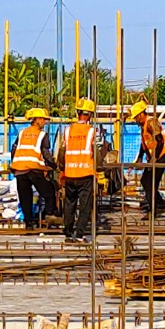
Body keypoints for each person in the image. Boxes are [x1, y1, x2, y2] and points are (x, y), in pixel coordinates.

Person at [58, 99, 103, 240]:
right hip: (85, 175)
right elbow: (97, 153)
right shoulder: (91, 131)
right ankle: (79, 234)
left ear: (78, 113)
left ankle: (67, 232)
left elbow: (61, 152)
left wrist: (62, 169)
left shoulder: (68, 131)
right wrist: (99, 169)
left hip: (70, 175)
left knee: (69, 204)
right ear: (89, 115)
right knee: (85, 206)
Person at [10, 106, 53, 230]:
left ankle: (29, 223)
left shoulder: (22, 133)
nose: (45, 122)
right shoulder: (42, 135)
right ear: (37, 119)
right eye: (43, 119)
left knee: (25, 197)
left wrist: (14, 164)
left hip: (19, 169)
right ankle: (47, 214)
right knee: (49, 192)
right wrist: (53, 166)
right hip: (34, 168)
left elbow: (14, 149)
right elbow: (46, 153)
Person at [136, 108, 165, 219]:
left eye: (136, 117)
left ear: (142, 114)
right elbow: (144, 143)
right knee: (145, 181)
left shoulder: (151, 122)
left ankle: (153, 210)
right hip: (154, 157)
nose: (136, 120)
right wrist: (140, 157)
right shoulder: (144, 125)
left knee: (150, 183)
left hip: (161, 156)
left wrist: (155, 157)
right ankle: (160, 203)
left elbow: (160, 140)